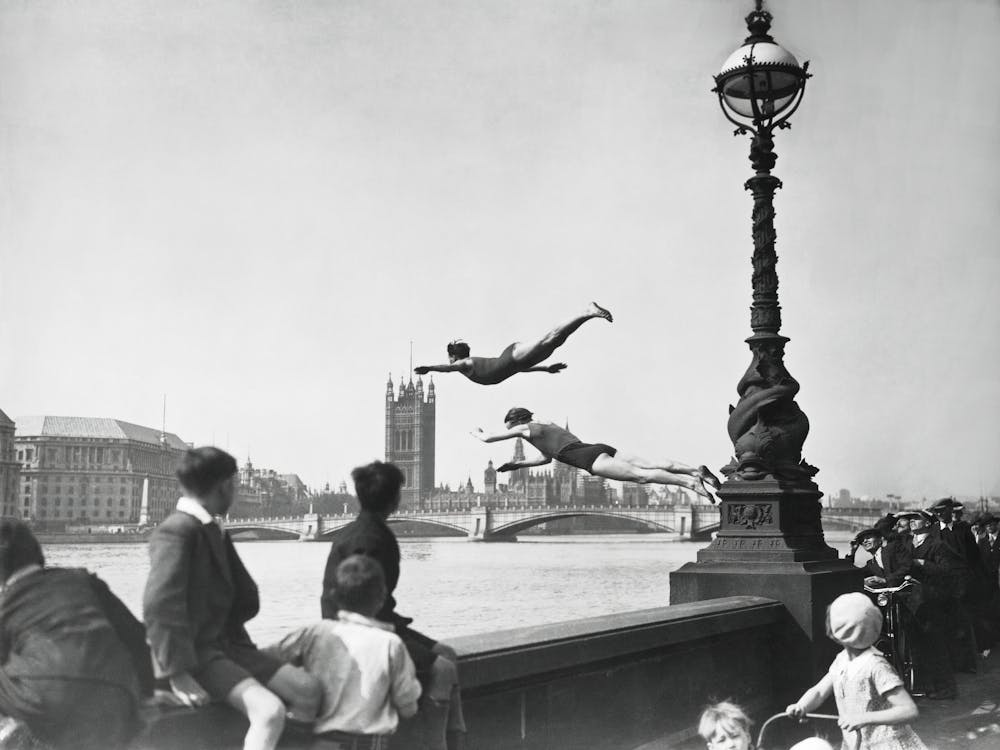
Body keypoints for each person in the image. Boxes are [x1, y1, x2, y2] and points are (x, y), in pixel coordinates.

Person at [143, 446, 321, 750]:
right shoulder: (177, 531)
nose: (236, 492)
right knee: (269, 712)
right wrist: (178, 674)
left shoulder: (211, 527)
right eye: (235, 485)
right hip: (199, 655)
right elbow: (159, 607)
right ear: (223, 485)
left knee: (309, 690)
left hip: (231, 647)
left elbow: (242, 595)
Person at [321, 461, 465, 750]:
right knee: (444, 670)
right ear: (394, 498)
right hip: (359, 629)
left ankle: (457, 739)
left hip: (374, 620)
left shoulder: (363, 530)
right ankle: (438, 745)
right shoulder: (370, 539)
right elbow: (358, 601)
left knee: (448, 655)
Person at [0, 519, 152, 750]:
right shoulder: (84, 580)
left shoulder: (6, 606)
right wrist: (149, 690)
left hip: (48, 702)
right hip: (117, 695)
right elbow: (136, 637)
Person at [268, 555, 421, 750]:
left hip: (323, 744)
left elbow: (266, 658)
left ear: (335, 596)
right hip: (372, 745)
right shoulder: (391, 644)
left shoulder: (315, 632)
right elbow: (408, 707)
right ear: (382, 597)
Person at [471, 407, 721, 501]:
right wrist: (517, 466)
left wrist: (477, 432)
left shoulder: (525, 429)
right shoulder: (547, 424)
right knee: (651, 462)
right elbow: (546, 458)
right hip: (597, 447)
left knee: (641, 477)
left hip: (587, 459)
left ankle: (690, 483)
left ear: (517, 422)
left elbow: (488, 438)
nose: (512, 432)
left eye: (511, 427)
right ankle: (695, 470)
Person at [787, 593, 926, 750]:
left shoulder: (876, 666)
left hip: (885, 744)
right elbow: (819, 691)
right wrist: (802, 706)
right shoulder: (842, 660)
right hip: (858, 742)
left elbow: (909, 710)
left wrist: (864, 718)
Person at [413, 302, 613, 385]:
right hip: (518, 363)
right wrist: (545, 369)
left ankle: (588, 311)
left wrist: (429, 368)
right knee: (556, 341)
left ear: (454, 357)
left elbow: (447, 369)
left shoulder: (464, 364)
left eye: (450, 359)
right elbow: (513, 371)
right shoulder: (471, 366)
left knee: (549, 337)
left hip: (514, 355)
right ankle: (588, 314)